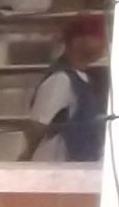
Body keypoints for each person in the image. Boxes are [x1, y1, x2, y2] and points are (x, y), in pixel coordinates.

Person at [28, 16, 110, 161]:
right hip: (56, 167)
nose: (103, 43)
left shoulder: (83, 80)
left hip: (78, 167)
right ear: (77, 41)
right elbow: (37, 127)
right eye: (97, 36)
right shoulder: (61, 79)